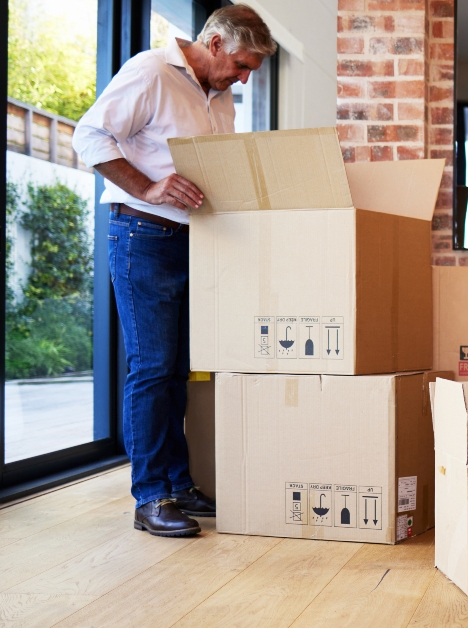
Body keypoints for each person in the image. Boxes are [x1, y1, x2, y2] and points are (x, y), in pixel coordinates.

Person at [73, 6, 276, 537]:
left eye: (250, 70)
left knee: (183, 367)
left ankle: (178, 483)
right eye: (240, 65)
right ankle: (151, 497)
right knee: (153, 368)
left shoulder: (220, 95)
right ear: (213, 44)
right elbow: (89, 136)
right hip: (143, 237)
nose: (244, 78)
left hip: (196, 242)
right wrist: (147, 187)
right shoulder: (150, 72)